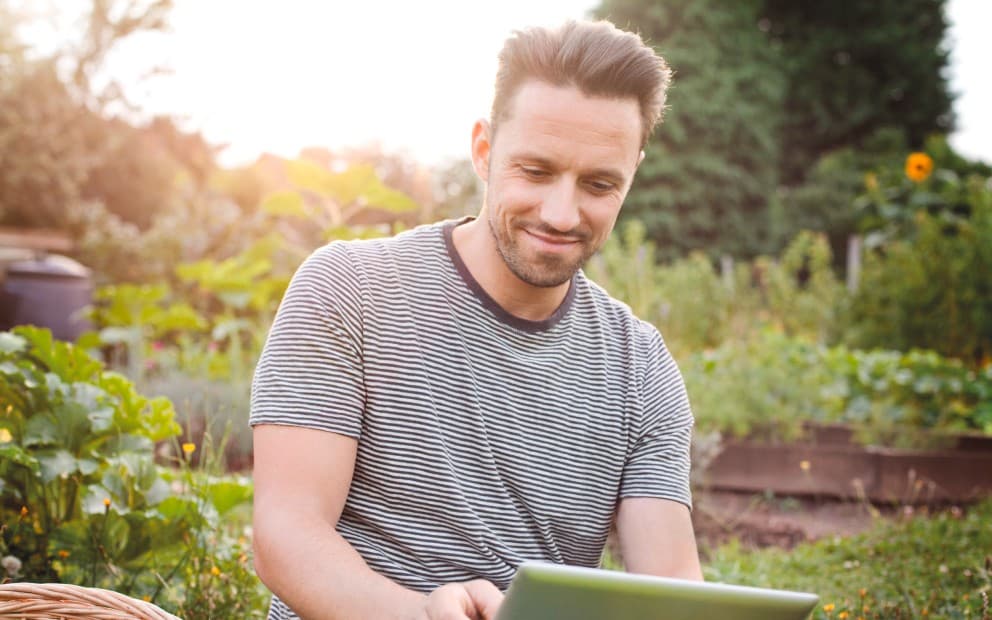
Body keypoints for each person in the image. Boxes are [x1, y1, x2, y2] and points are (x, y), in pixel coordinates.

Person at [250, 19, 702, 620]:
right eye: (536, 172)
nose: (561, 213)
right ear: (485, 151)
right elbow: (286, 538)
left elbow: (673, 587)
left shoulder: (640, 367)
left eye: (598, 183)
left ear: (632, 173)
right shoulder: (349, 291)